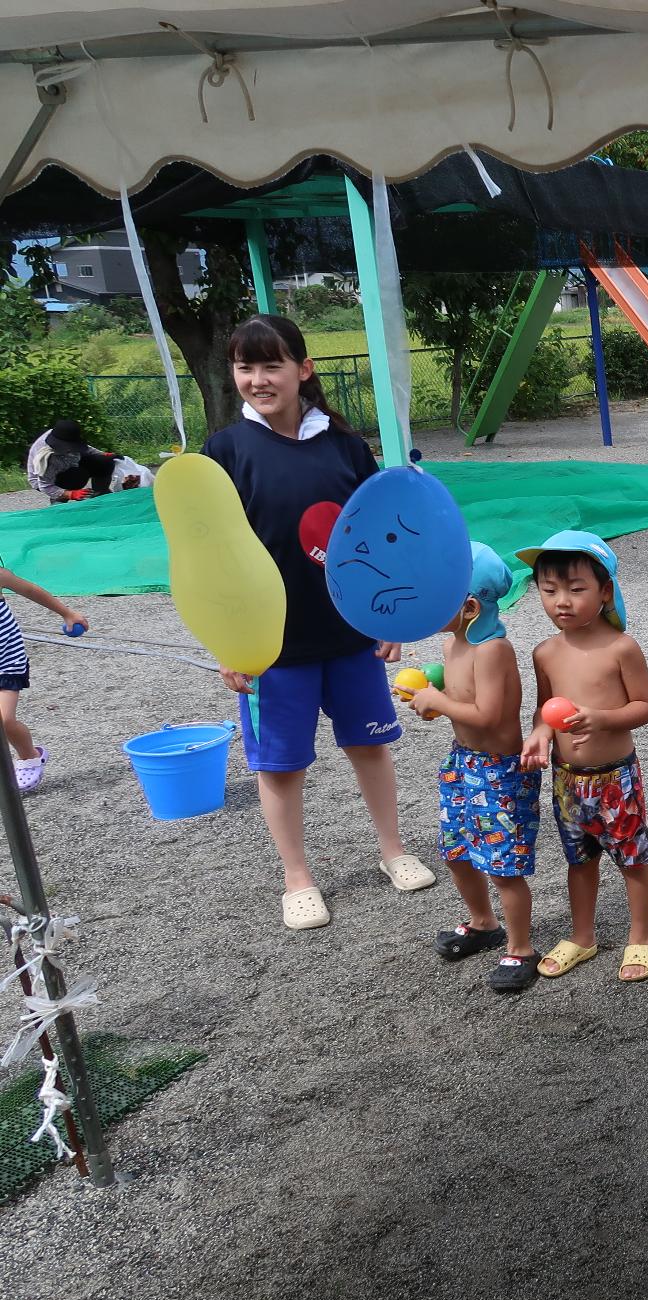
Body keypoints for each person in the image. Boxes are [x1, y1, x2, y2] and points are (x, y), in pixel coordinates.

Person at [204, 314, 433, 930]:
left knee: (371, 744)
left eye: (271, 364)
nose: (257, 379)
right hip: (269, 646)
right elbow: (211, 556)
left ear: (303, 369)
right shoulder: (224, 451)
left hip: (349, 634)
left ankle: (393, 850)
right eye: (244, 367)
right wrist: (229, 643)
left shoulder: (344, 445)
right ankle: (297, 878)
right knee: (279, 763)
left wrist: (388, 615)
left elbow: (376, 536)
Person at [518, 531, 648, 982]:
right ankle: (583, 935)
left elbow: (647, 705)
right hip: (567, 780)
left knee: (632, 858)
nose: (562, 601)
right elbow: (544, 709)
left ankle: (641, 936)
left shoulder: (621, 648)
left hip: (615, 777)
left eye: (577, 589)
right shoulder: (544, 652)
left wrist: (602, 718)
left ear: (604, 592)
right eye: (549, 590)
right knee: (579, 861)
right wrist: (539, 734)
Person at [411, 544, 542, 993]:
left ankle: (521, 947)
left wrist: (440, 702)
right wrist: (430, 693)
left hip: (499, 773)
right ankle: (483, 922)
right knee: (457, 852)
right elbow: (458, 703)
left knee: (503, 864)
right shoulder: (452, 643)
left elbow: (487, 715)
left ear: (469, 607)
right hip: (462, 763)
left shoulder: (494, 651)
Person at [0, 564, 87, 791]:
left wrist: (67, 613)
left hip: (6, 661)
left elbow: (30, 590)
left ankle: (30, 757)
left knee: (4, 720)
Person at [26, 419, 123, 501]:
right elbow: (45, 485)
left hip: (68, 463)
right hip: (46, 479)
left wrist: (104, 455)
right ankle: (58, 500)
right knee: (78, 476)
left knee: (105, 461)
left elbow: (84, 448)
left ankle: (100, 493)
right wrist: (70, 494)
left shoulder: (63, 434)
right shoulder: (47, 457)